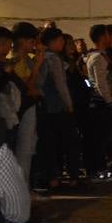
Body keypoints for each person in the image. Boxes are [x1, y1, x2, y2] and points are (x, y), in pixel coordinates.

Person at [34, 26, 79, 190]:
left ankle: (53, 178)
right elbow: (60, 84)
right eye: (61, 40)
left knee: (50, 145)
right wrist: (69, 104)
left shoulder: (40, 57)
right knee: (71, 143)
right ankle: (74, 177)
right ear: (52, 42)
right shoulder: (53, 58)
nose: (62, 43)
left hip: (45, 107)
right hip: (58, 107)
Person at [83, 24, 112, 181]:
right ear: (103, 37)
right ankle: (97, 171)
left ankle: (100, 169)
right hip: (101, 104)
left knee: (102, 138)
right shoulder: (98, 57)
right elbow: (100, 83)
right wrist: (110, 101)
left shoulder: (101, 55)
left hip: (102, 102)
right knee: (100, 139)